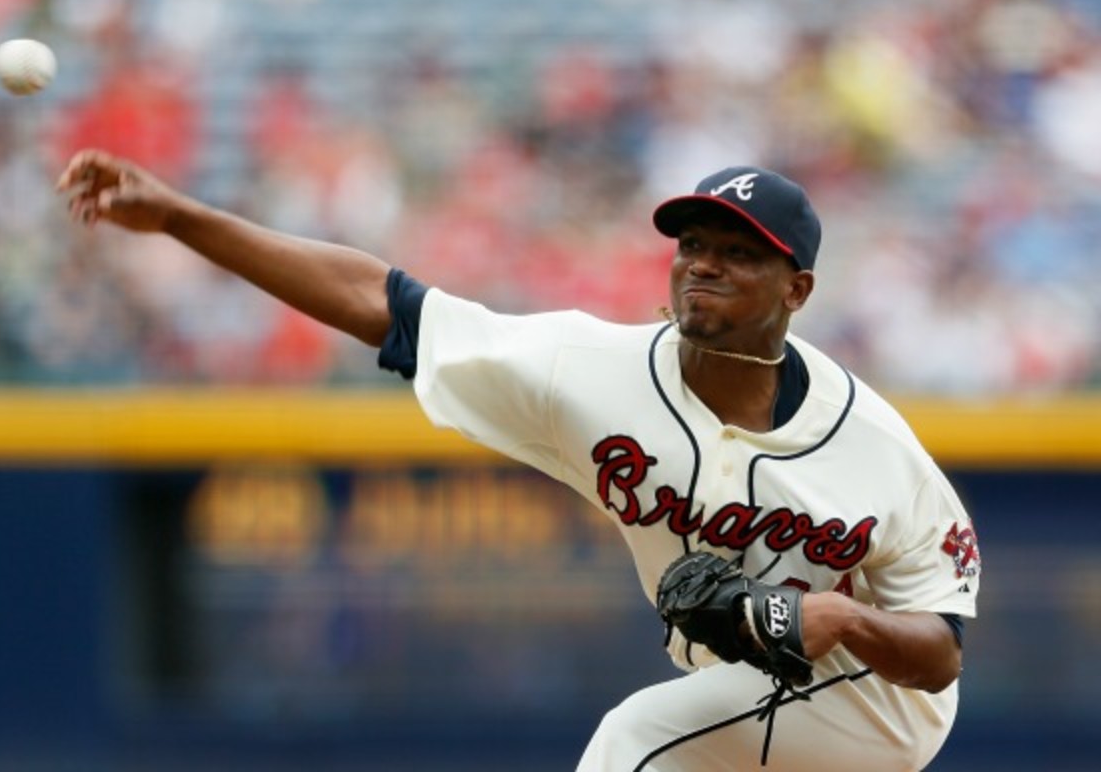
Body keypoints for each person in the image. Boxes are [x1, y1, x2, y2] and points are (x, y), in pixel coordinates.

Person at [57, 150, 981, 771]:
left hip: (872, 701)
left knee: (634, 744)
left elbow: (939, 655)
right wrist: (180, 216)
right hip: (734, 686)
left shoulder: (874, 447)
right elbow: (384, 303)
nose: (702, 265)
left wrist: (841, 619)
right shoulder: (590, 370)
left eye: (739, 255)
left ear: (797, 290)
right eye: (693, 244)